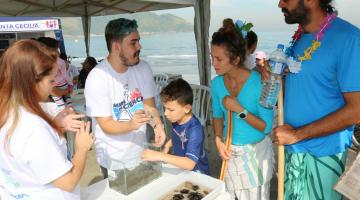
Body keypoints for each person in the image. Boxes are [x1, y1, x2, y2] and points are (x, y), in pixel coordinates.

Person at [262, 1, 360, 199]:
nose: (280, 3)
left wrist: (298, 134)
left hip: (323, 156)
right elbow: (308, 88)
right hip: (292, 151)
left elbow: (357, 110)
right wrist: (274, 77)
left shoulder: (349, 38)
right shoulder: (300, 38)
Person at [0, 40, 94, 199]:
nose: (53, 87)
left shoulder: (8, 110)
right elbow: (68, 182)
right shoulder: (33, 128)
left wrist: (55, 124)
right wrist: (82, 148)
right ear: (31, 82)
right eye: (51, 81)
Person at [84, 18, 166, 178]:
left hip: (141, 150)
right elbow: (106, 124)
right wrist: (131, 124)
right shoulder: (98, 77)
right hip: (114, 159)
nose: (139, 47)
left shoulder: (143, 68)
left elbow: (149, 106)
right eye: (133, 43)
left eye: (138, 41)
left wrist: (157, 125)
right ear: (116, 47)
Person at [211, 19, 274, 199]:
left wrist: (240, 110)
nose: (213, 63)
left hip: (256, 155)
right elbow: (217, 116)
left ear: (236, 59)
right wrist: (217, 139)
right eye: (212, 57)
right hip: (230, 154)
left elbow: (266, 127)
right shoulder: (216, 84)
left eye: (219, 59)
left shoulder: (259, 82)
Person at [141, 79, 210, 175]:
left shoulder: (195, 129)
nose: (165, 113)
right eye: (165, 108)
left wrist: (159, 155)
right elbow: (178, 136)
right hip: (182, 169)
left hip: (197, 173)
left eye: (171, 110)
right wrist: (167, 146)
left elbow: (190, 163)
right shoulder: (177, 120)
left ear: (187, 108)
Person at [37, 37, 73, 109]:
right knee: (65, 105)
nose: (58, 52)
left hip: (44, 106)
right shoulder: (42, 66)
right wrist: (69, 88)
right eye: (56, 49)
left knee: (62, 106)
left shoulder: (38, 64)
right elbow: (55, 92)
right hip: (44, 108)